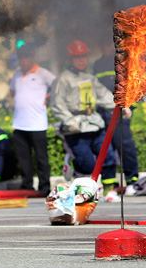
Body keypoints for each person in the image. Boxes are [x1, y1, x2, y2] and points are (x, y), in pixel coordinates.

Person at [50, 40, 119, 201]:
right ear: (70, 59)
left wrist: (120, 108)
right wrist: (69, 120)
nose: (82, 60)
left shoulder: (90, 78)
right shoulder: (63, 80)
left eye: (84, 57)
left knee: (107, 156)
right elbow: (57, 104)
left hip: (94, 122)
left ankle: (110, 191)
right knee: (86, 163)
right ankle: (76, 173)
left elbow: (103, 95)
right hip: (75, 126)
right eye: (77, 57)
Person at [93, 41, 139, 195]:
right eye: (104, 45)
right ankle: (109, 185)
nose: (107, 48)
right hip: (103, 110)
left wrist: (128, 105)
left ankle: (132, 181)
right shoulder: (98, 64)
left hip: (121, 110)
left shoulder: (124, 62)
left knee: (124, 145)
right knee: (105, 147)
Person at [9, 45, 56, 196]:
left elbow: (57, 86)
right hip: (19, 124)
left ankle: (44, 186)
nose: (24, 60)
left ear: (32, 57)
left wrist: (47, 99)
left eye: (27, 57)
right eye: (22, 57)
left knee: (42, 158)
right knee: (24, 159)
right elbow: (12, 91)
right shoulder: (16, 75)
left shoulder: (43, 73)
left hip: (37, 124)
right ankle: (27, 185)